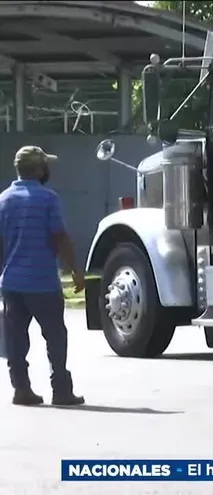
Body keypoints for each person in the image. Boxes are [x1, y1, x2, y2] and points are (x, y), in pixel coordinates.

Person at [0, 146, 85, 406]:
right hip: (43, 283)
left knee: (16, 338)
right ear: (38, 169)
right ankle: (61, 389)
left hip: (12, 283)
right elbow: (59, 236)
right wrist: (76, 270)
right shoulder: (48, 198)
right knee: (55, 336)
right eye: (45, 165)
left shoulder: (3, 200)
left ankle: (21, 388)